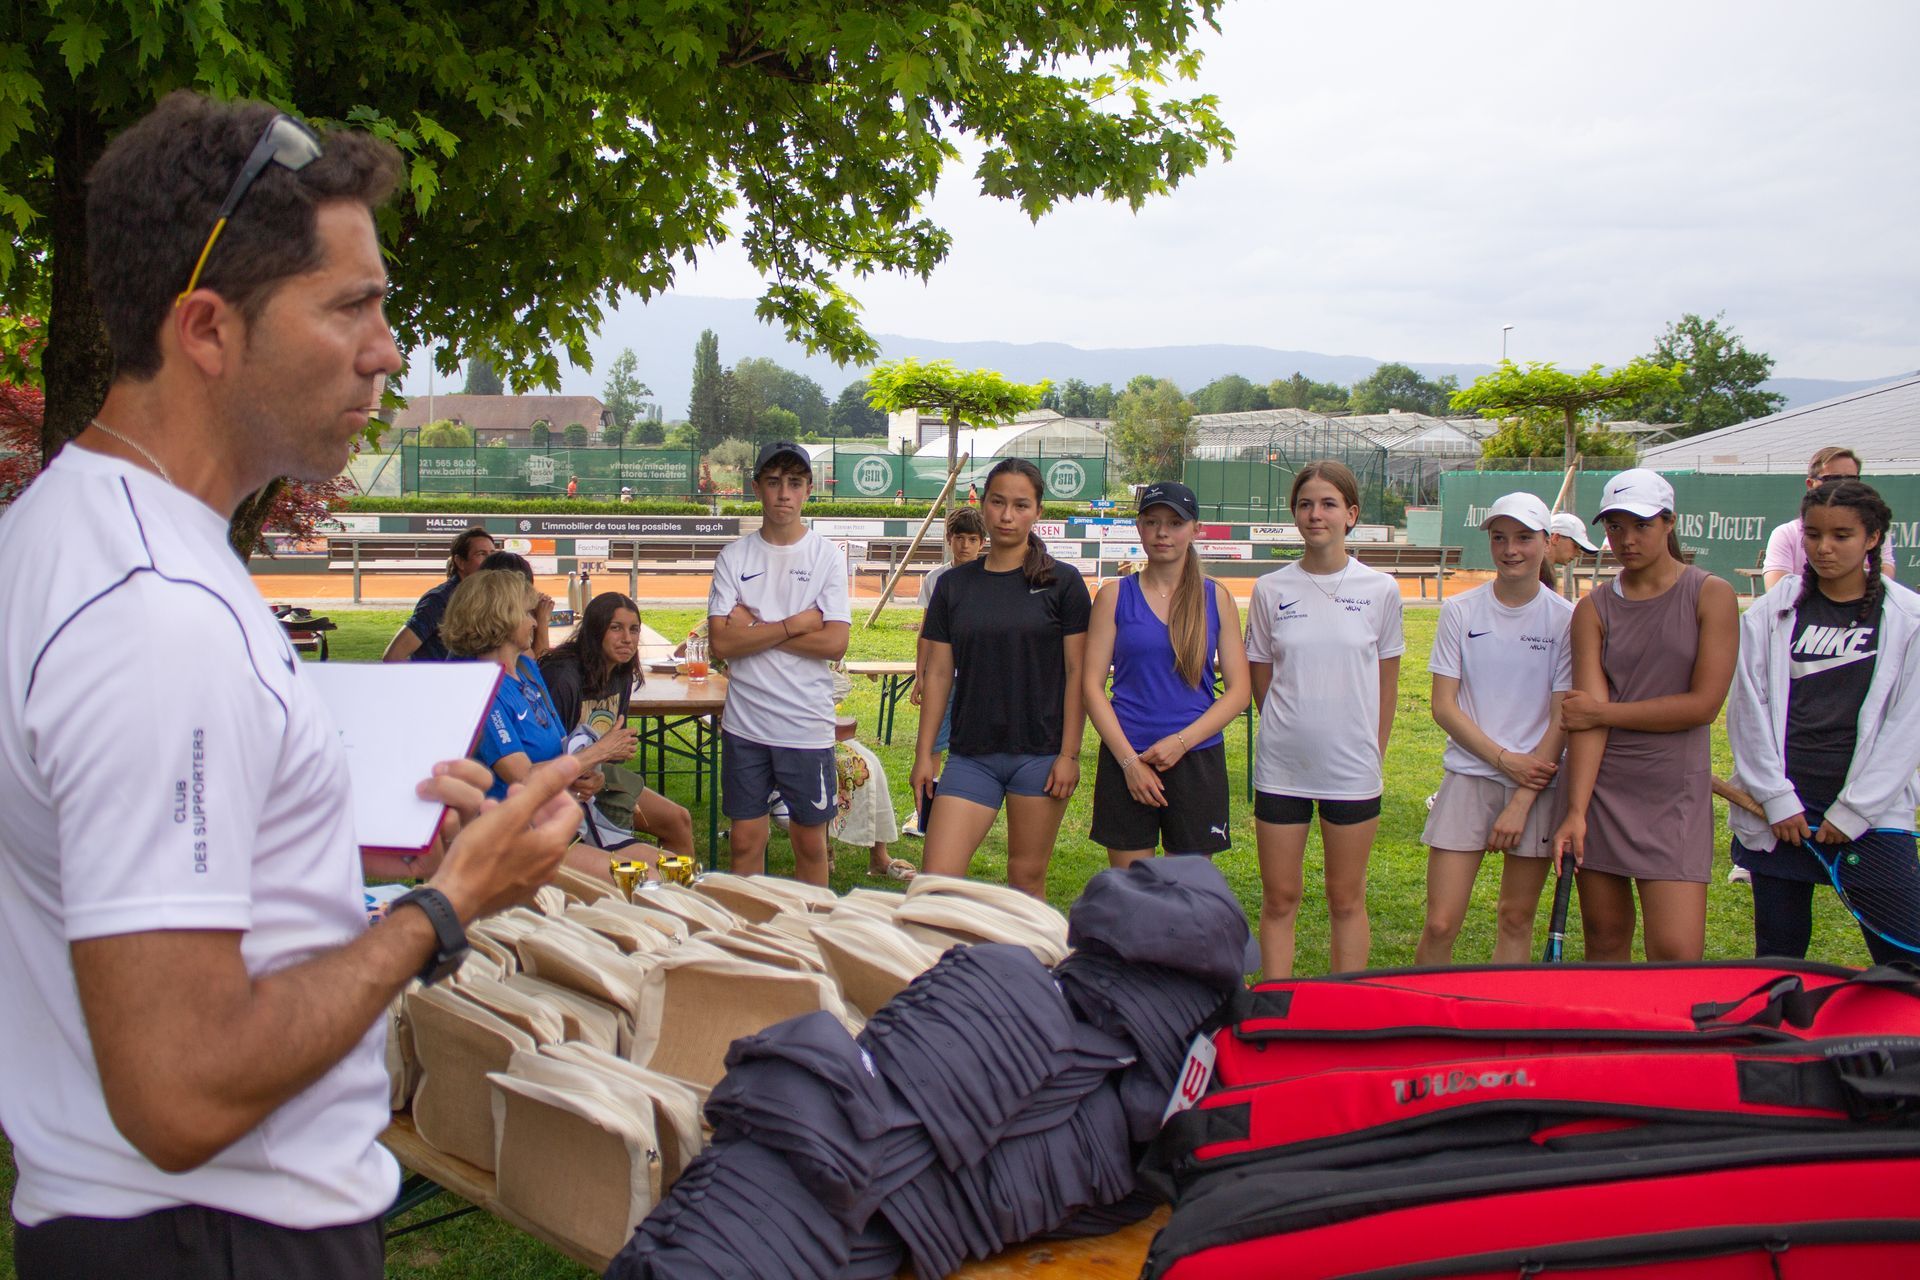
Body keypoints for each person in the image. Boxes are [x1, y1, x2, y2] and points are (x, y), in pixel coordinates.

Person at [0, 92, 583, 1280]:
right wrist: (447, 905)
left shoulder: (71, 528)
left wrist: (359, 858)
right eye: (351, 306)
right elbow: (181, 1085)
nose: (388, 349)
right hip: (220, 1233)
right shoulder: (154, 615)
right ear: (208, 327)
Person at [1727, 479, 1920, 964]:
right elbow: (1747, 710)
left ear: (1873, 537)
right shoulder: (1772, 611)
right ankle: (1783, 1039)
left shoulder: (1908, 617)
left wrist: (1854, 811)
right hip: (1782, 818)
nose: (1824, 548)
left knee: (1905, 961)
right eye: (1813, 535)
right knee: (1778, 959)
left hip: (1870, 819)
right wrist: (1775, 799)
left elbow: (1908, 729)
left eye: (1841, 535)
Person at [1551, 468, 1739, 962]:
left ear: (1670, 523)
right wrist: (1575, 811)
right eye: (1614, 526)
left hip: (1674, 789)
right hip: (1602, 791)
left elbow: (1703, 706)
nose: (1626, 540)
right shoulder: (1592, 609)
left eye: (1641, 525)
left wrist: (1604, 711)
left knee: (1676, 954)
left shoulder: (1711, 594)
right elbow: (1586, 722)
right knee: (1605, 944)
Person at [1244, 459, 1404, 976]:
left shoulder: (1381, 590)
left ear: (1351, 514)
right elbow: (1260, 677)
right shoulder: (1271, 590)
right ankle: (1276, 1009)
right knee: (1280, 898)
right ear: (1294, 514)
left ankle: (1343, 1013)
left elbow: (1386, 683)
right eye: (1306, 504)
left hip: (1352, 771)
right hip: (1282, 769)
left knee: (1346, 899)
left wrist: (1370, 753)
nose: (1317, 515)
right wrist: (1291, 726)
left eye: (1329, 504)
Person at [913, 458, 1092, 898]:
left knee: (1025, 881)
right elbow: (937, 673)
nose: (1007, 516)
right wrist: (923, 755)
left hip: (1041, 756)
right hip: (972, 755)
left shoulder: (1063, 584)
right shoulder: (955, 586)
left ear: (1038, 513)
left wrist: (1070, 753)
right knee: (935, 881)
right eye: (997, 503)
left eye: (1020, 505)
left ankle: (1029, 968)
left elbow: (1079, 674)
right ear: (983, 504)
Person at [1416, 493, 1573, 964]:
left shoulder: (1566, 619)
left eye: (1524, 538)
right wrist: (1505, 761)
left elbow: (1562, 715)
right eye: (1500, 538)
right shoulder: (1461, 611)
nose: (1511, 549)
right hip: (1469, 777)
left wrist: (1523, 797)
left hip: (1537, 787)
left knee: (1515, 918)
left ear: (1548, 542)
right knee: (1441, 923)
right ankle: (1422, 1028)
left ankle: (1503, 1028)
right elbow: (1444, 706)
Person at [1082, 481, 1250, 868]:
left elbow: (1240, 692)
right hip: (1127, 758)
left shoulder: (1215, 597)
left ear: (1195, 529)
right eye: (1152, 521)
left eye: (1175, 523)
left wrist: (1181, 742)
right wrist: (1129, 763)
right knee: (1132, 893)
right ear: (1139, 527)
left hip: (1195, 759)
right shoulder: (1113, 596)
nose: (1162, 533)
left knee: (1187, 894)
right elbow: (1091, 687)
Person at [707, 441, 852, 885]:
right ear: (757, 489)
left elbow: (835, 642)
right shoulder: (734, 557)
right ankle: (746, 941)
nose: (783, 493)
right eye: (773, 482)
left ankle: (811, 939)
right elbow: (719, 644)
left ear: (809, 490)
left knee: (810, 844)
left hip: (805, 727)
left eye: (794, 483)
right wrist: (794, 625)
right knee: (745, 843)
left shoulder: (826, 556)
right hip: (745, 728)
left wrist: (753, 629)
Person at [444, 570, 632, 885]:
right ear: (500, 617)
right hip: (514, 837)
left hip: (557, 819)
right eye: (526, 614)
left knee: (657, 873)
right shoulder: (482, 688)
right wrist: (599, 751)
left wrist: (582, 777)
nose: (534, 622)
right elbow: (524, 776)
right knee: (639, 883)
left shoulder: (526, 667)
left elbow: (559, 748)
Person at [541, 591, 695, 859]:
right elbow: (548, 753)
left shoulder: (620, 674)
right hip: (556, 786)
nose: (627, 638)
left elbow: (611, 746)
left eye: (634, 629)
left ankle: (679, 898)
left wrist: (609, 759)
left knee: (678, 820)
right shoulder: (563, 677)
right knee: (631, 859)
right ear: (594, 630)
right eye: (616, 628)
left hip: (598, 775)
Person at [901, 506, 988, 838]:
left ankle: (966, 810)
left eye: (972, 539)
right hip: (941, 678)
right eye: (959, 539)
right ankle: (926, 813)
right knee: (932, 745)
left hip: (976, 679)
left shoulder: (989, 578)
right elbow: (926, 632)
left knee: (970, 748)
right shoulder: (935, 579)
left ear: (982, 542)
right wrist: (920, 675)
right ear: (949, 540)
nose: (965, 546)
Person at [1762, 447, 1897, 589]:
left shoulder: (1872, 530)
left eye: (1851, 479)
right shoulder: (1786, 533)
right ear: (1810, 484)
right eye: (1832, 479)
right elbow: (1776, 591)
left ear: (1872, 539)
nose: (1842, 485)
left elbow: (1885, 576)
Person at [380, 525, 495, 661]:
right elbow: (393, 656)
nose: (490, 561)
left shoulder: (488, 597)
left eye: (492, 554)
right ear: (460, 562)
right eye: (481, 554)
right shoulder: (438, 600)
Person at [1547, 510, 1598, 598]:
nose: (1578, 554)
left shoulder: (1542, 569)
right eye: (1575, 546)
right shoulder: (1533, 571)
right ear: (1555, 538)